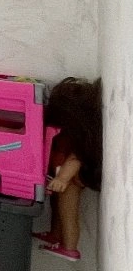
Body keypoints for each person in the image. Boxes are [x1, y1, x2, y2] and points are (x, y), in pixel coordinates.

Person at [35, 77, 102, 261]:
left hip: (69, 181)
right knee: (56, 207)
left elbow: (74, 160)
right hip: (59, 178)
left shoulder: (77, 140)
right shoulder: (65, 132)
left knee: (67, 211)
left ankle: (70, 247)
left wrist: (62, 178)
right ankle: (55, 234)